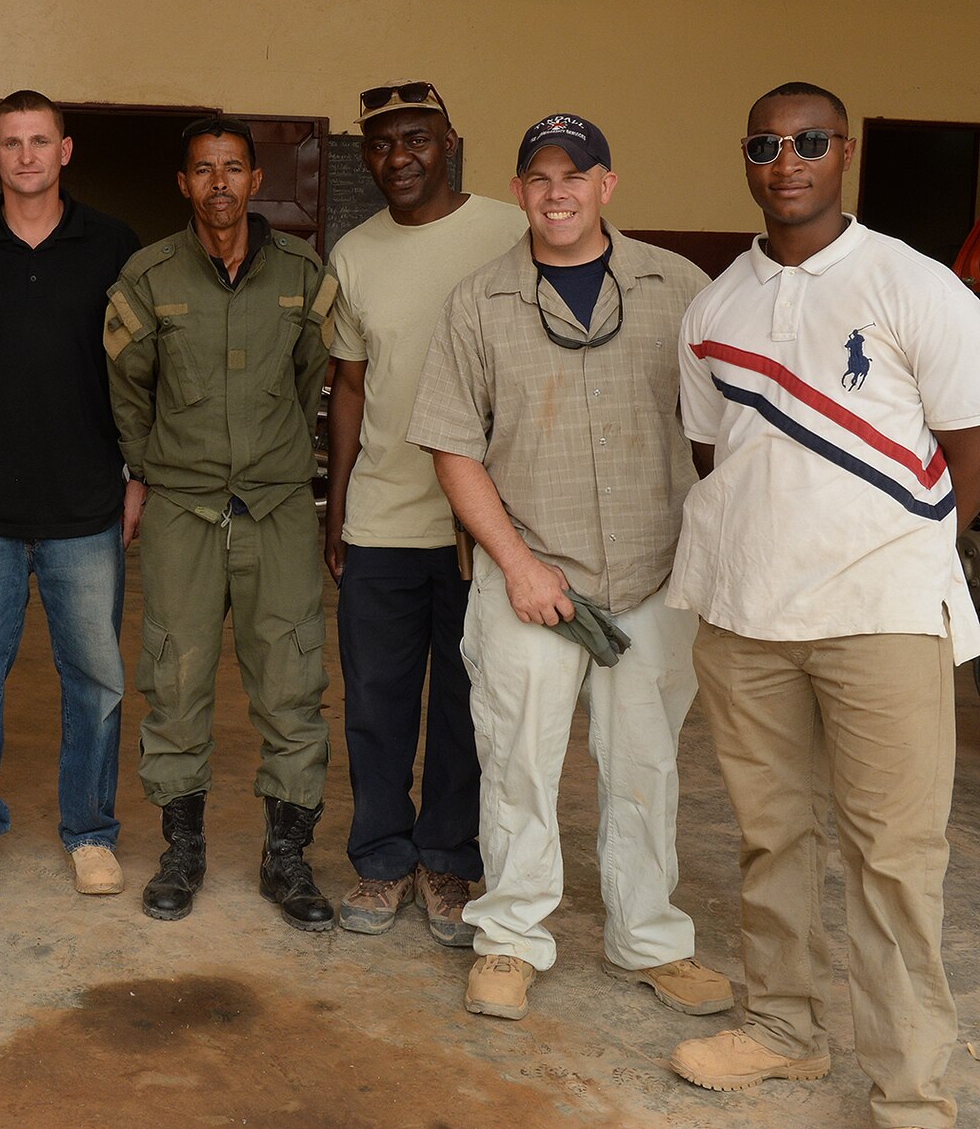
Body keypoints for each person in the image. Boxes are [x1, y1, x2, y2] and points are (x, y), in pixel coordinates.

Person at [665, 83, 980, 1127]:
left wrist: (902, 548)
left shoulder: (912, 284)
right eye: (764, 142)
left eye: (807, 141)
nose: (785, 159)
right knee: (770, 838)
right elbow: (719, 455)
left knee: (892, 859)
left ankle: (908, 1089)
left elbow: (969, 449)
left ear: (839, 152)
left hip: (881, 616)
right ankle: (784, 1030)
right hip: (745, 616)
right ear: (745, 157)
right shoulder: (713, 308)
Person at [408, 113, 731, 1024]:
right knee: (516, 763)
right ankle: (510, 939)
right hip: (529, 580)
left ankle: (651, 939)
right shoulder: (479, 301)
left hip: (655, 579)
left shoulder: (681, 288)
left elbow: (726, 430)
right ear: (518, 192)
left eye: (575, 175)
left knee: (647, 765)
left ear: (607, 185)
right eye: (540, 177)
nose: (558, 192)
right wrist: (515, 564)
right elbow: (454, 448)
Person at [105, 116, 334, 928]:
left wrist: (280, 462)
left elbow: (314, 379)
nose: (220, 184)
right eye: (203, 169)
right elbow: (128, 388)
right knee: (175, 678)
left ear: (257, 180)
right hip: (184, 511)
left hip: (276, 510)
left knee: (293, 682)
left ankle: (287, 859)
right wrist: (151, 467)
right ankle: (182, 850)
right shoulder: (148, 274)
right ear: (183, 183)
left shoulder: (303, 274)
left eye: (234, 167)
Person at [323, 82, 526, 944]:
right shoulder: (354, 252)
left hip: (481, 521)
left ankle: (448, 857)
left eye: (416, 139)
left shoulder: (508, 232)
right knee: (375, 698)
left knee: (465, 699)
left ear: (450, 143)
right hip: (382, 516)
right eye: (380, 143)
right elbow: (351, 384)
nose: (397, 157)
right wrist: (335, 503)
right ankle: (380, 858)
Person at [0, 90, 140, 894]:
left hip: (87, 507)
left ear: (65, 150)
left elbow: (143, 372)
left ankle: (90, 829)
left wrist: (139, 476)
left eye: (38, 141)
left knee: (96, 678)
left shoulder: (115, 246)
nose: (24, 155)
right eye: (10, 142)